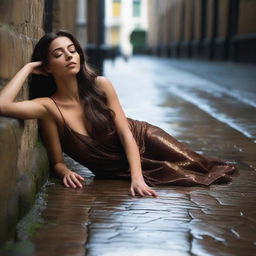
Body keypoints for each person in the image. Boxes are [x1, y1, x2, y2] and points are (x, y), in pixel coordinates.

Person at [0, 30, 237, 198]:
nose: (69, 56)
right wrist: (29, 68)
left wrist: (137, 178)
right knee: (182, 177)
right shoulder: (48, 108)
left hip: (141, 137)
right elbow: (5, 107)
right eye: (59, 53)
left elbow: (125, 133)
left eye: (72, 50)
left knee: (199, 166)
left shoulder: (101, 85)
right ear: (47, 66)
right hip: (114, 170)